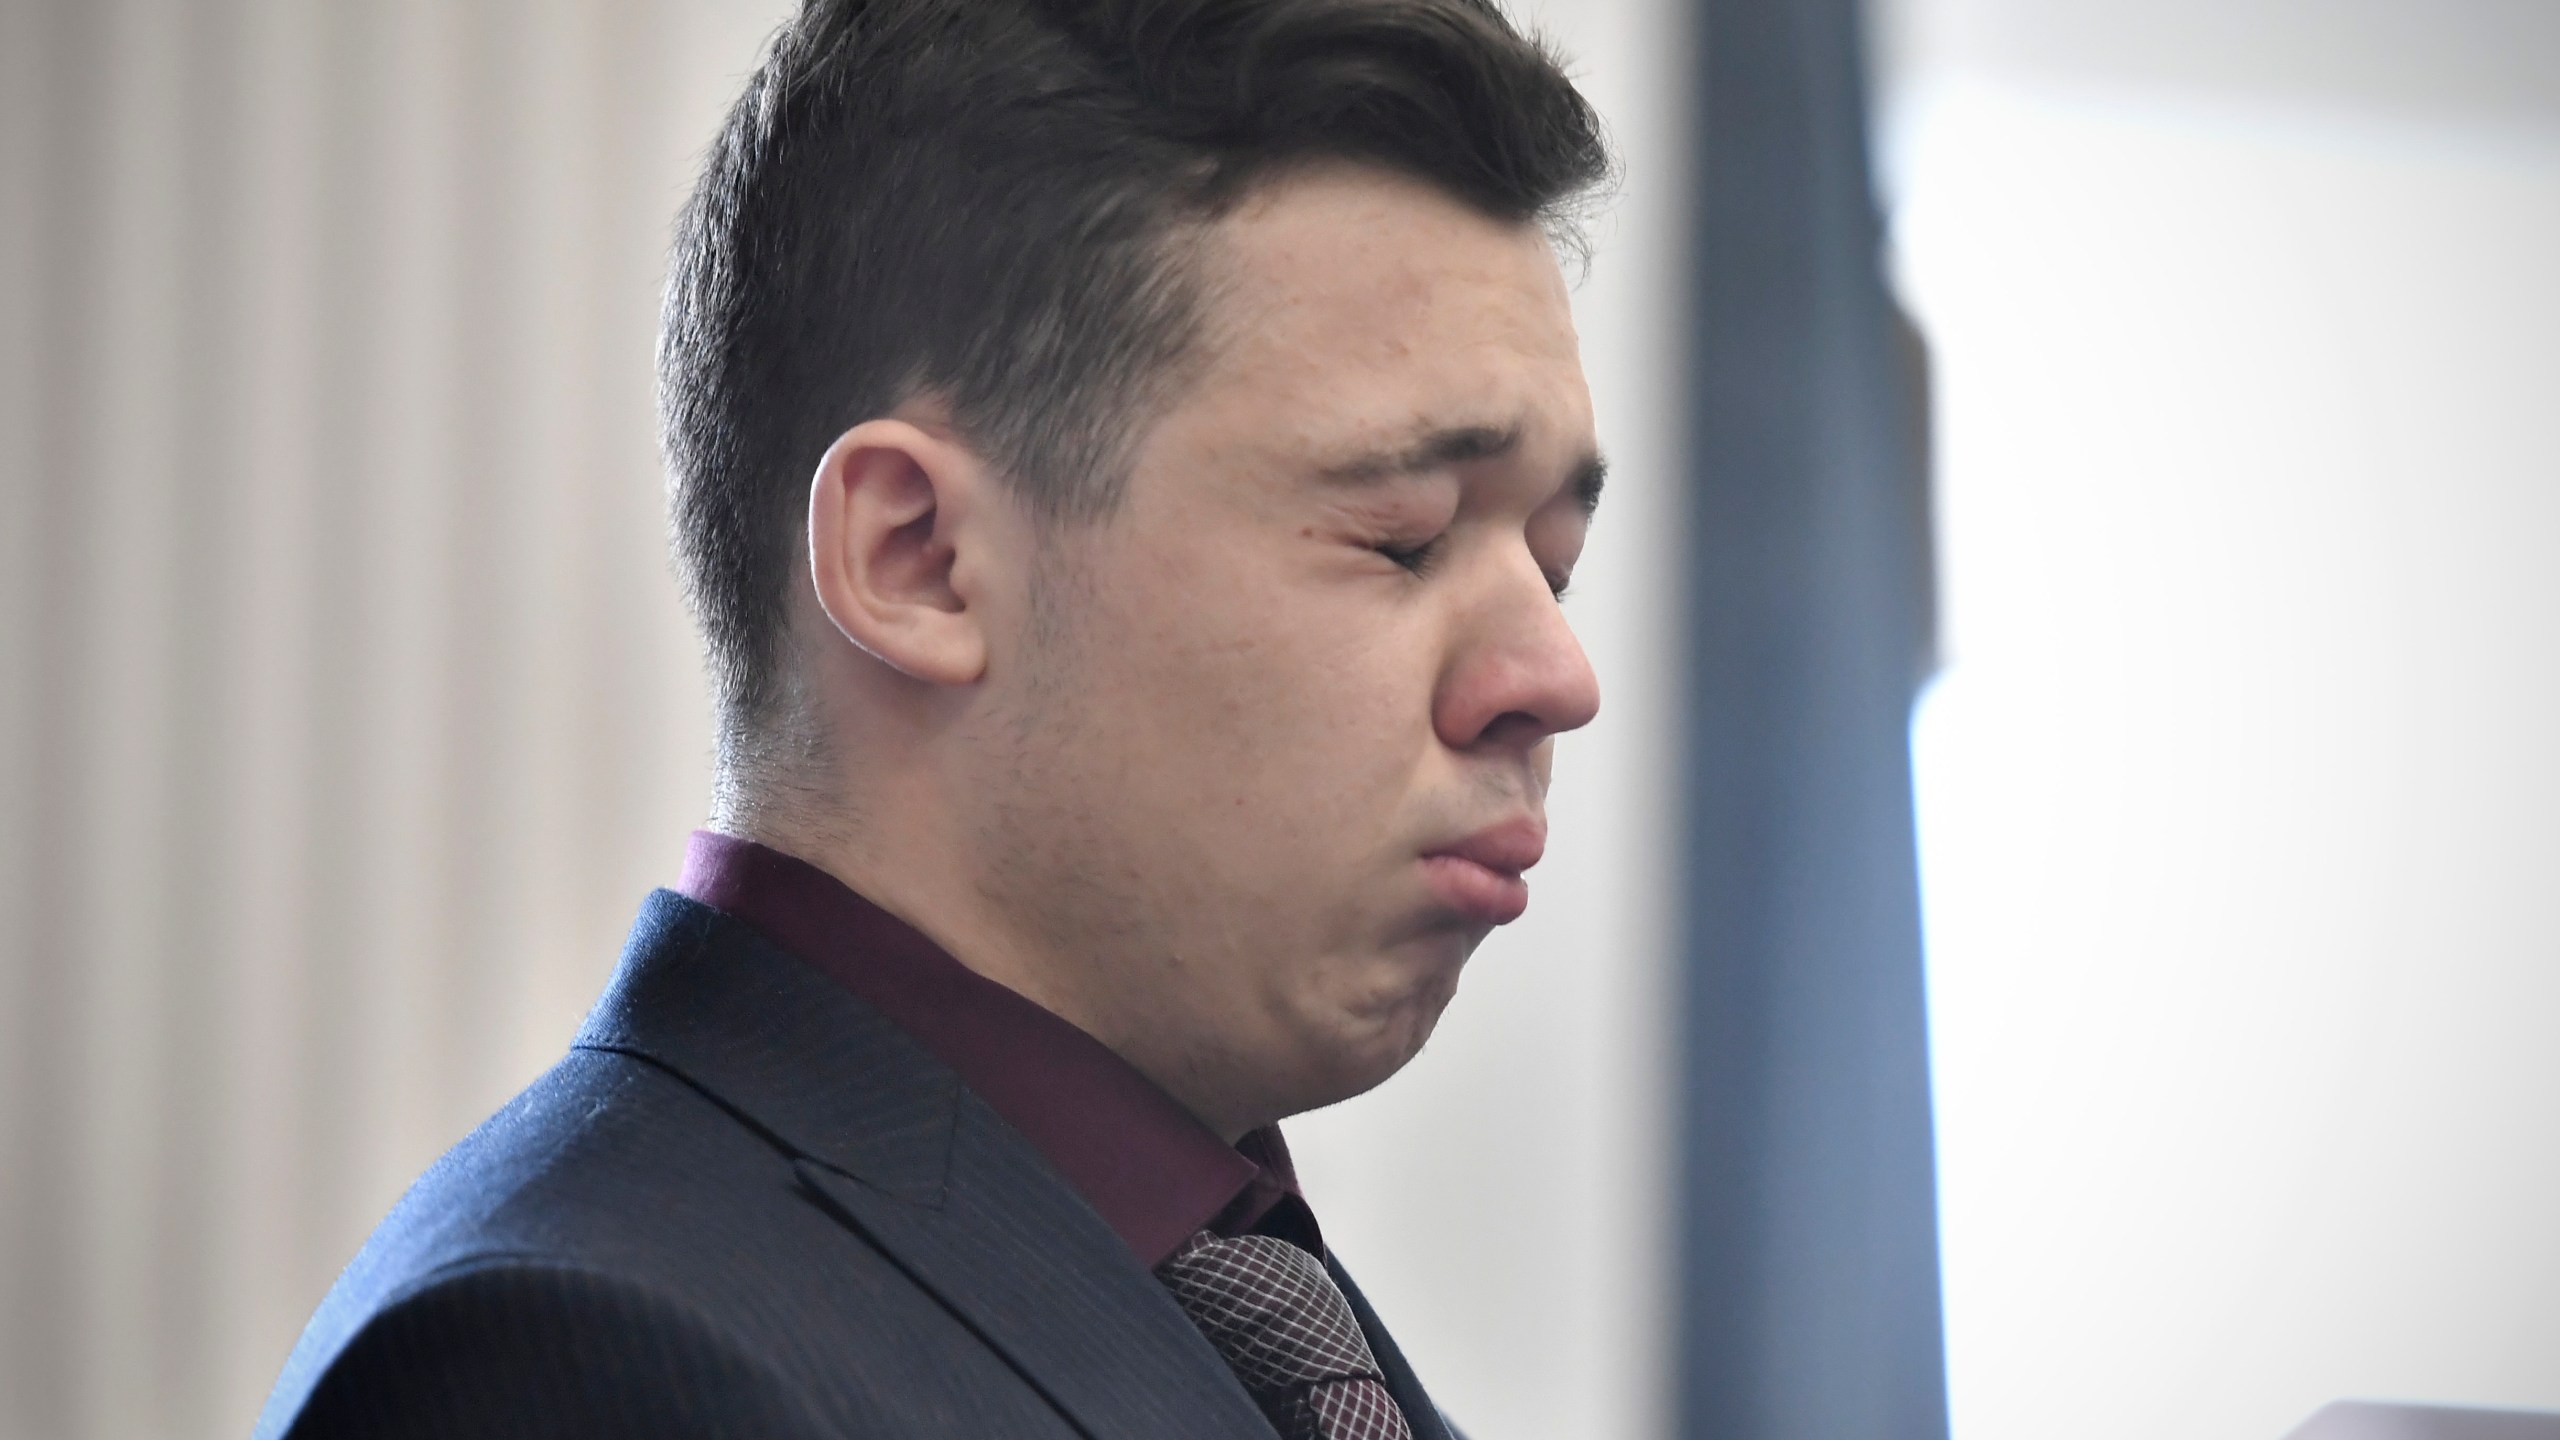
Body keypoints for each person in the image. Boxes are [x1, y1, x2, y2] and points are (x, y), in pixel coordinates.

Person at [254, 0, 1611, 1434]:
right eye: (1401, 537)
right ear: (918, 561)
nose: (1559, 676)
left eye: (1555, 565)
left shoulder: (1222, 1280)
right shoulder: (570, 1361)